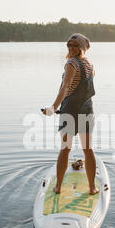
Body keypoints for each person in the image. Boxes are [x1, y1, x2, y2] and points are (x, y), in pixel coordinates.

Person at [42, 33, 99, 195]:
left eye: (75, 45)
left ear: (82, 47)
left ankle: (59, 187)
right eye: (69, 45)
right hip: (87, 109)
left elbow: (65, 88)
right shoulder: (89, 64)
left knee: (65, 149)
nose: (71, 48)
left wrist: (53, 107)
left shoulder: (71, 64)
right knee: (88, 149)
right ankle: (92, 188)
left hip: (70, 110)